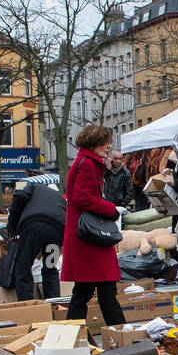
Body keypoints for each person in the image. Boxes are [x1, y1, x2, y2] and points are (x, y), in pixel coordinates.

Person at [63, 125, 127, 325]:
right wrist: (110, 208)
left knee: (84, 291)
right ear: (96, 142)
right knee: (104, 290)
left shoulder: (84, 162)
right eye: (106, 141)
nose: (109, 145)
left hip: (85, 235)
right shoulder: (88, 164)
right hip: (90, 236)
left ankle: (72, 335)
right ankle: (124, 336)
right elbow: (82, 197)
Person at [6, 180, 65, 302]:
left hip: (33, 227)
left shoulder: (34, 186)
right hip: (55, 231)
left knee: (23, 267)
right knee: (50, 268)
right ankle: (54, 305)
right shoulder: (60, 199)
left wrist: (12, 228)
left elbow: (20, 197)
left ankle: (29, 306)